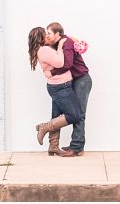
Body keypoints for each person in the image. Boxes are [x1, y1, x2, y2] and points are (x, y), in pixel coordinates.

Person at [27, 26, 82, 157]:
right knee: (74, 115)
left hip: (56, 86)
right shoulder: (45, 49)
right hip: (61, 86)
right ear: (41, 37)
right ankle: (44, 127)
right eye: (45, 34)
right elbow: (60, 62)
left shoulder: (41, 49)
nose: (47, 36)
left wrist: (68, 40)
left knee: (56, 116)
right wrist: (61, 45)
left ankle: (53, 146)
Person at [45, 22, 92, 156]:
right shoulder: (59, 44)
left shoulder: (66, 42)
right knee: (71, 112)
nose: (47, 36)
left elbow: (67, 64)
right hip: (71, 81)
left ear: (57, 34)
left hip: (81, 80)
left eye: (49, 33)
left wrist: (52, 73)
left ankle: (76, 147)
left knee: (79, 114)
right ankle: (75, 146)